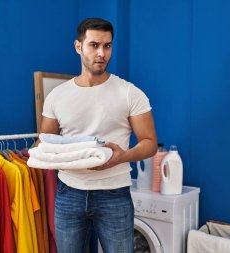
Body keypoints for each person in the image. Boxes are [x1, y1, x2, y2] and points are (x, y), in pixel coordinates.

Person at [37, 17, 158, 253]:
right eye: (94, 45)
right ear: (78, 46)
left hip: (114, 194)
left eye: (107, 45)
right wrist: (37, 153)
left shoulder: (129, 93)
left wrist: (122, 156)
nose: (101, 53)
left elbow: (150, 143)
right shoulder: (57, 96)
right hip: (68, 193)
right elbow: (45, 141)